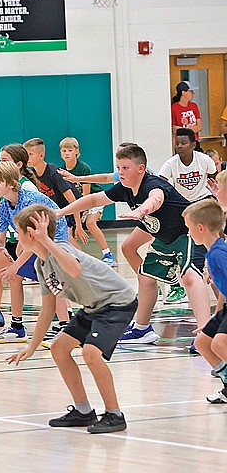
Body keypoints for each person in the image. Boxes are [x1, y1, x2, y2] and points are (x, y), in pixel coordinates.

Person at [57, 144, 211, 345]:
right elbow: (95, 199)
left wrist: (140, 212)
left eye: (125, 168)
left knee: (190, 277)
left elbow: (156, 199)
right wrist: (61, 212)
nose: (120, 173)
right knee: (146, 279)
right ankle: (142, 329)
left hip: (190, 232)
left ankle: (205, 334)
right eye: (119, 168)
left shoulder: (153, 185)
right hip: (164, 238)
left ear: (141, 169)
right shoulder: (125, 187)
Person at [6, 205, 138, 434]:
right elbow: (47, 310)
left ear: (31, 233)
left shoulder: (63, 250)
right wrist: (32, 346)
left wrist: (46, 240)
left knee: (91, 353)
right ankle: (83, 411)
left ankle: (115, 415)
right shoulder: (41, 263)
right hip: (93, 307)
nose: (17, 237)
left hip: (117, 303)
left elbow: (74, 270)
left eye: (18, 232)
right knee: (58, 348)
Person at [0, 161, 71, 345]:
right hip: (34, 243)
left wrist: (15, 265)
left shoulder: (30, 200)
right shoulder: (4, 204)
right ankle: (17, 328)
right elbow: (2, 234)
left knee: (53, 281)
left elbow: (36, 240)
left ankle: (66, 328)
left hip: (55, 242)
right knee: (15, 277)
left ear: (9, 183)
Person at [158, 129, 219, 308]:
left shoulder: (204, 160)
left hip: (204, 202)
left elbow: (215, 180)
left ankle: (208, 271)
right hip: (182, 206)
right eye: (177, 143)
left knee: (211, 241)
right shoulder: (171, 164)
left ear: (193, 144)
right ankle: (178, 281)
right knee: (184, 242)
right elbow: (161, 184)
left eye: (184, 143)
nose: (179, 146)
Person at [182, 199, 227, 404]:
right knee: (202, 342)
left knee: (219, 343)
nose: (188, 233)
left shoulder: (219, 254)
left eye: (189, 228)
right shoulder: (213, 252)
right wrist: (215, 318)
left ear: (200, 228)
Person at [59, 137, 114, 265]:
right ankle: (78, 258)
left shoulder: (83, 168)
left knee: (90, 223)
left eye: (70, 150)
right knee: (68, 232)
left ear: (77, 151)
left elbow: (86, 194)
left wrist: (79, 218)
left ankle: (107, 253)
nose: (67, 153)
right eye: (64, 150)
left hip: (94, 199)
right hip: (77, 203)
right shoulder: (62, 170)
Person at [23, 137, 86, 246]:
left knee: (67, 238)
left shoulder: (54, 172)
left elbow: (73, 201)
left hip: (71, 209)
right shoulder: (32, 174)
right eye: (26, 154)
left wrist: (79, 225)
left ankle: (81, 262)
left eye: (31, 154)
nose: (27, 158)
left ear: (41, 155)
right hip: (55, 212)